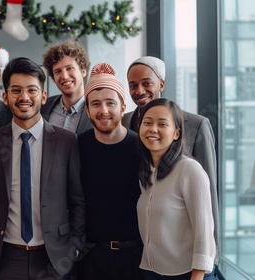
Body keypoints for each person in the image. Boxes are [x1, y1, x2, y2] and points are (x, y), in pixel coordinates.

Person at [0, 57, 86, 279]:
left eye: (32, 90)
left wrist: (73, 246)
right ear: (5, 97)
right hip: (6, 258)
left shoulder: (66, 141)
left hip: (53, 258)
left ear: (43, 96)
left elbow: (77, 201)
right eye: (16, 90)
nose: (24, 97)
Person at [124, 56, 220, 268]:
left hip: (180, 251)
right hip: (141, 247)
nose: (139, 91)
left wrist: (210, 257)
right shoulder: (124, 121)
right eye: (133, 85)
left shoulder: (196, 123)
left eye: (146, 83)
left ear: (162, 84)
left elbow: (207, 195)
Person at [136, 98, 217, 280]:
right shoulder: (146, 173)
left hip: (187, 274)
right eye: (147, 123)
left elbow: (204, 231)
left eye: (162, 124)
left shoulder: (189, 169)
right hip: (152, 271)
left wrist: (197, 276)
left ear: (176, 134)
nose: (153, 129)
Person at [77, 63, 143, 280]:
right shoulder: (78, 147)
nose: (103, 110)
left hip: (137, 258)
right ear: (87, 110)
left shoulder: (141, 148)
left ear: (123, 107)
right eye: (95, 104)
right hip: (92, 258)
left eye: (110, 103)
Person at [41, 39, 93, 134]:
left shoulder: (96, 108)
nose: (64, 76)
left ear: (83, 71)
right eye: (58, 71)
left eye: (69, 68)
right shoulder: (43, 107)